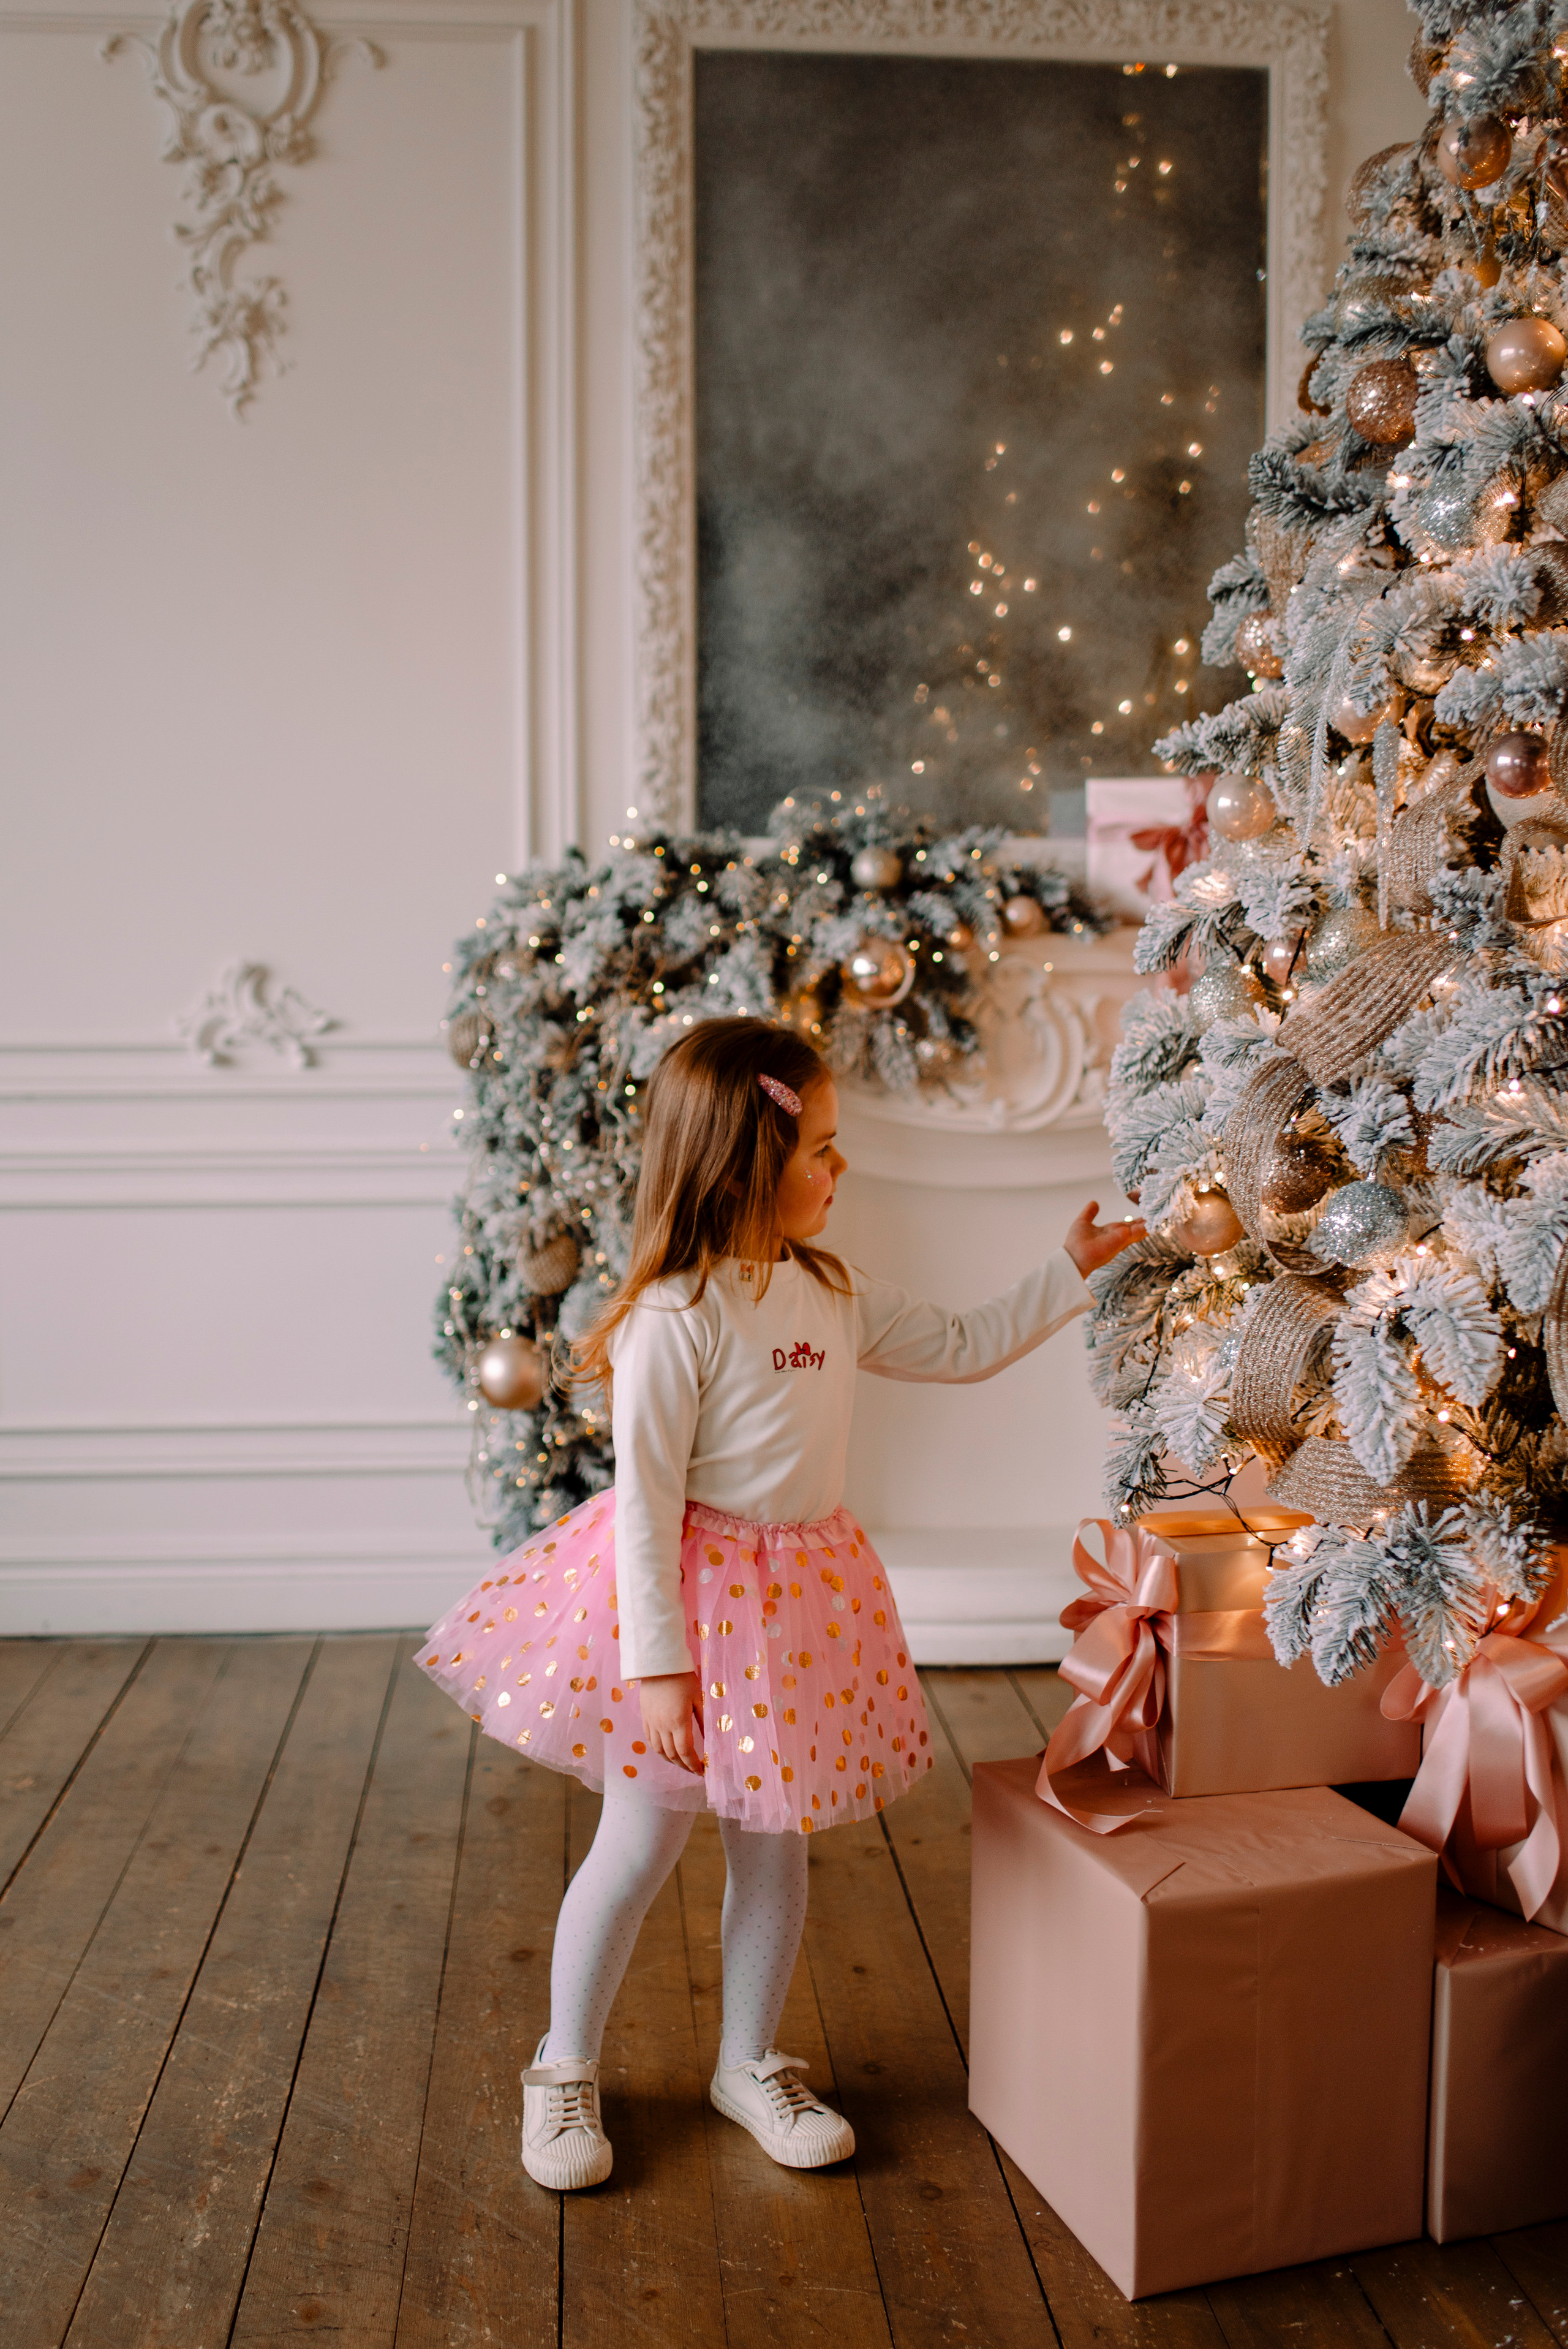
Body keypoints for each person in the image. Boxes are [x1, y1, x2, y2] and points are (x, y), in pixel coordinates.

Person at [418, 1015, 1142, 2191]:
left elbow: (962, 1344)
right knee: (640, 1839)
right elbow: (646, 1506)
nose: (840, 1168)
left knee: (776, 1846)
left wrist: (1067, 1271)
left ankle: (747, 2060)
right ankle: (563, 2066)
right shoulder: (677, 1315)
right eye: (822, 1150)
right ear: (747, 1161)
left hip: (796, 1608)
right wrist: (657, 1669)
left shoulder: (829, 1290)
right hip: (683, 1609)